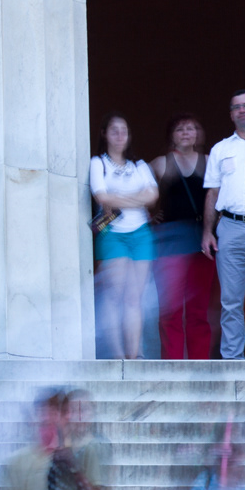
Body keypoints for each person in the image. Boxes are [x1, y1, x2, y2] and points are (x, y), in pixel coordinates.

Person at [90, 114, 159, 360]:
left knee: (134, 297)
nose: (120, 135)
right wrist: (135, 199)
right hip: (113, 234)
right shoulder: (98, 163)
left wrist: (120, 199)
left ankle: (135, 354)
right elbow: (102, 197)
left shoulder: (139, 165)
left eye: (124, 131)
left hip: (141, 234)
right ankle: (117, 355)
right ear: (104, 134)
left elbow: (152, 196)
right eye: (114, 130)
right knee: (114, 295)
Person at [151, 114, 217, 359]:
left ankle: (200, 363)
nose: (186, 132)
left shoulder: (210, 161)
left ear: (199, 133)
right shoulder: (161, 163)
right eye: (180, 129)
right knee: (170, 310)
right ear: (172, 135)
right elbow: (136, 187)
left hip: (203, 242)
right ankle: (172, 364)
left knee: (199, 309)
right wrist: (149, 216)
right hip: (170, 243)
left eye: (191, 128)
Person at [203, 89, 245, 360]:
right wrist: (208, 232)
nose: (243, 110)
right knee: (230, 301)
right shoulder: (220, 149)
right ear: (231, 114)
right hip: (230, 228)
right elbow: (212, 193)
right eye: (237, 107)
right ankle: (233, 360)